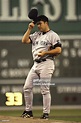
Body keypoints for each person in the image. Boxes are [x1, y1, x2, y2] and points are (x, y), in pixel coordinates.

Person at [21, 15, 62, 119]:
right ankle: (28, 111)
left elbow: (58, 50)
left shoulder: (53, 35)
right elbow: (24, 41)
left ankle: (45, 113)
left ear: (46, 23)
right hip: (36, 64)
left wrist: (45, 53)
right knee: (27, 87)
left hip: (46, 64)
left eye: (40, 23)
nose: (38, 25)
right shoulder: (36, 35)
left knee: (44, 89)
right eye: (37, 23)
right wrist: (29, 29)